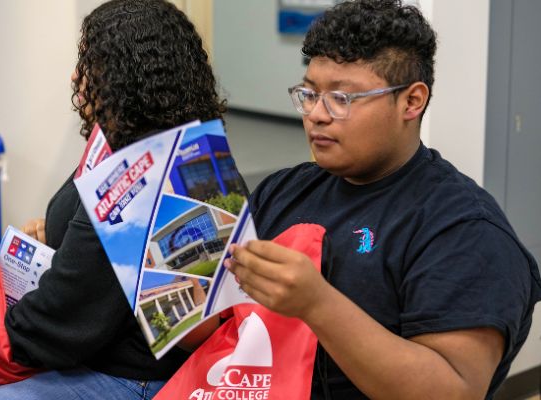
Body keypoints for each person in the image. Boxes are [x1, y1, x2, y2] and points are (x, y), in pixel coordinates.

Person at [224, 1, 541, 398]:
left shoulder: (464, 230)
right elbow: (222, 327)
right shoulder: (284, 191)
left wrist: (317, 303)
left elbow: (453, 391)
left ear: (411, 102)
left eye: (342, 98)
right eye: (309, 93)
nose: (316, 115)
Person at [0, 1, 226, 399]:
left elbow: (63, 328)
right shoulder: (153, 146)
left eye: (89, 63)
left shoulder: (138, 178)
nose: (76, 75)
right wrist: (53, 235)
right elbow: (85, 248)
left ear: (126, 76)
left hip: (132, 376)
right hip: (94, 352)